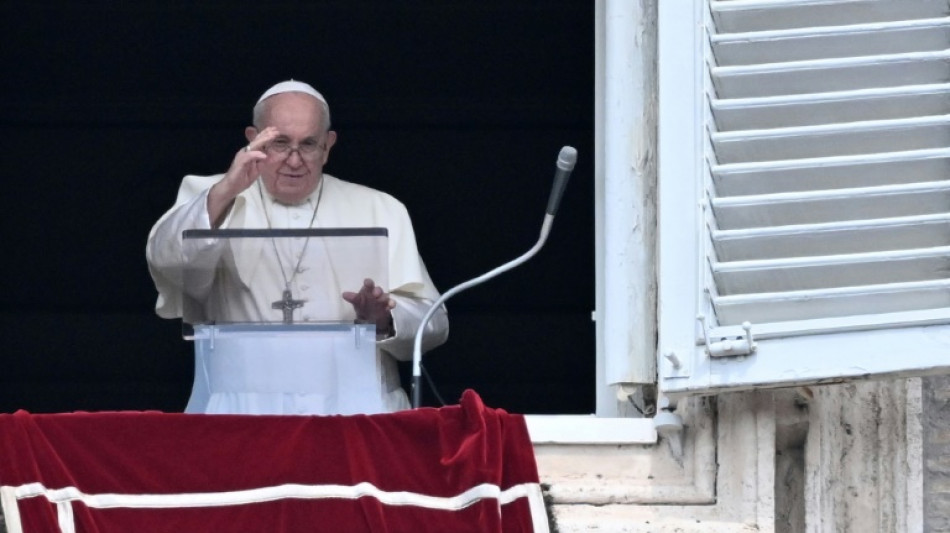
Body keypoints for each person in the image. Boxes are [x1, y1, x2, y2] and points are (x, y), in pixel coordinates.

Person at [146, 80, 448, 415]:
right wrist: (227, 189)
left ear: (328, 146)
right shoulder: (210, 196)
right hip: (242, 410)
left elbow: (434, 323)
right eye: (280, 143)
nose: (294, 160)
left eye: (308, 144)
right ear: (252, 139)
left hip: (357, 409)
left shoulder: (381, 208)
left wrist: (385, 317)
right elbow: (168, 261)